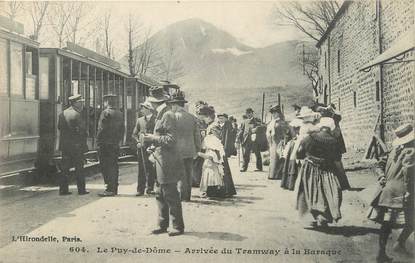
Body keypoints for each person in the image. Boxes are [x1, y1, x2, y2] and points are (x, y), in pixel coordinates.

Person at [140, 86, 185, 236]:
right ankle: (162, 224)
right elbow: (163, 137)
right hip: (161, 159)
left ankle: (177, 226)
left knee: (170, 194)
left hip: (168, 161)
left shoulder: (167, 115)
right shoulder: (162, 114)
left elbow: (172, 140)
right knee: (159, 193)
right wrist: (153, 147)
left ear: (154, 103)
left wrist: (152, 138)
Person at [367, 124, 414, 263]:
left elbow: (379, 164)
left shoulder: (394, 150)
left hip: (388, 190)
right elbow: (409, 174)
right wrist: (409, 192)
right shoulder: (411, 151)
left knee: (387, 223)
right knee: (411, 221)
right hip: (402, 192)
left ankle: (382, 252)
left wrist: (382, 177)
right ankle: (398, 244)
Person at [295, 117, 343, 228]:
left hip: (310, 168)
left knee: (308, 191)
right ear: (331, 128)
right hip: (328, 170)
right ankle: (324, 216)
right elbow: (337, 158)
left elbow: (299, 153)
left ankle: (312, 217)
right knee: (328, 192)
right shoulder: (335, 141)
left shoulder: (310, 138)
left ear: (320, 127)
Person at [168, 90, 201, 202]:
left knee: (175, 174)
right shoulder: (192, 118)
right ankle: (186, 197)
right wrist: (197, 150)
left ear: (176, 105)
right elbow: (197, 136)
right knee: (187, 174)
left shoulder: (171, 117)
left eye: (172, 104)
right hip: (190, 150)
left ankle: (177, 196)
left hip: (175, 151)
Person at [57, 94, 88, 195]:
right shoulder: (77, 115)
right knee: (79, 168)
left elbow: (59, 127)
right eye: (80, 102)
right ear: (75, 103)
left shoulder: (62, 114)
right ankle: (81, 190)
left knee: (64, 168)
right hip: (76, 146)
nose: (82, 104)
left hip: (65, 146)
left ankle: (63, 190)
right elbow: (82, 131)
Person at [97, 94, 125, 197]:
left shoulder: (105, 113)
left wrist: (98, 142)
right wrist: (118, 141)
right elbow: (122, 129)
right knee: (114, 166)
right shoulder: (120, 113)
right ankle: (114, 188)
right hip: (115, 144)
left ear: (106, 102)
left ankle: (109, 188)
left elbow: (101, 129)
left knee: (105, 166)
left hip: (105, 144)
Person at [132, 101, 156, 196]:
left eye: (143, 108)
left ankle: (150, 188)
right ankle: (140, 189)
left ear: (148, 109)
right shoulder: (140, 120)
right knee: (141, 169)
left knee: (151, 168)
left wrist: (154, 144)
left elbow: (157, 134)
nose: (142, 110)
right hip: (141, 148)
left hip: (152, 148)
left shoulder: (156, 120)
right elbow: (134, 134)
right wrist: (137, 141)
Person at [198, 125, 226, 198]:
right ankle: (210, 190)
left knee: (210, 172)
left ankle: (209, 191)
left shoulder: (210, 139)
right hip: (213, 158)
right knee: (212, 172)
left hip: (212, 158)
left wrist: (199, 154)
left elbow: (205, 149)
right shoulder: (213, 139)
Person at [266, 104, 290, 180]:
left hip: (279, 141)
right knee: (273, 157)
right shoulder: (271, 122)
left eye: (275, 113)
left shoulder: (281, 122)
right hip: (272, 141)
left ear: (278, 113)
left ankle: (277, 174)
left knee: (278, 157)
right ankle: (272, 174)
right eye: (272, 113)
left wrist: (284, 141)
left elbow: (285, 132)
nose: (273, 114)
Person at [236, 108, 263, 172]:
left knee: (257, 153)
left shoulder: (257, 120)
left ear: (252, 113)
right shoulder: (244, 121)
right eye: (247, 113)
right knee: (246, 154)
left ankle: (259, 167)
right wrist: (238, 138)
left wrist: (256, 129)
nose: (248, 115)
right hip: (247, 140)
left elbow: (261, 127)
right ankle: (244, 168)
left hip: (255, 140)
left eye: (250, 113)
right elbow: (241, 130)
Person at [281, 118, 302, 190]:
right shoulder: (295, 122)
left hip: (297, 144)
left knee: (294, 164)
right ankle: (290, 183)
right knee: (292, 164)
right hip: (294, 144)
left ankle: (291, 183)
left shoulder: (300, 123)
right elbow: (288, 135)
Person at [192, 102, 210, 187]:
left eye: (203, 114)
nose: (202, 116)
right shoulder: (194, 121)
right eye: (200, 114)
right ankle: (195, 180)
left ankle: (199, 180)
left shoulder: (205, 123)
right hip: (196, 143)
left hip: (204, 144)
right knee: (196, 163)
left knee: (201, 163)